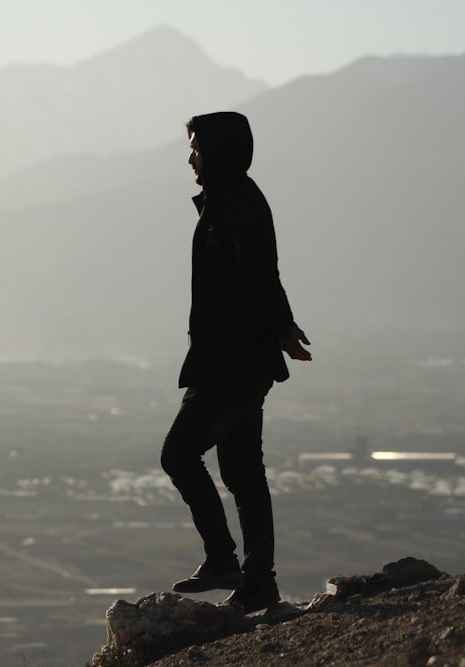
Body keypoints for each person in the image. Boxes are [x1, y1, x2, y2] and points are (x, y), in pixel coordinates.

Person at [160, 111, 311, 614]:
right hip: (237, 358)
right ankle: (259, 583)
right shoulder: (229, 200)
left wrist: (283, 327)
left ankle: (225, 562)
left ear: (220, 151)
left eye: (198, 148)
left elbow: (260, 272)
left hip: (232, 360)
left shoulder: (238, 202)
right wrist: (281, 329)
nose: (191, 158)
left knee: (179, 454)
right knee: (243, 471)